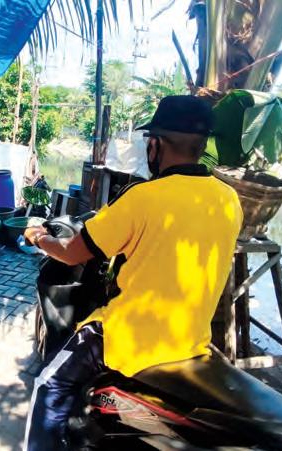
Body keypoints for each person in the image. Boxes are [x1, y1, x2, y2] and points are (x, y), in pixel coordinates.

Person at [22, 95, 243, 451]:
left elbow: (71, 252)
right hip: (190, 339)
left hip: (130, 336)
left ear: (156, 145)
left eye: (149, 142)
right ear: (202, 146)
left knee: (50, 384)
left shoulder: (142, 198)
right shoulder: (229, 199)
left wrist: (37, 236)